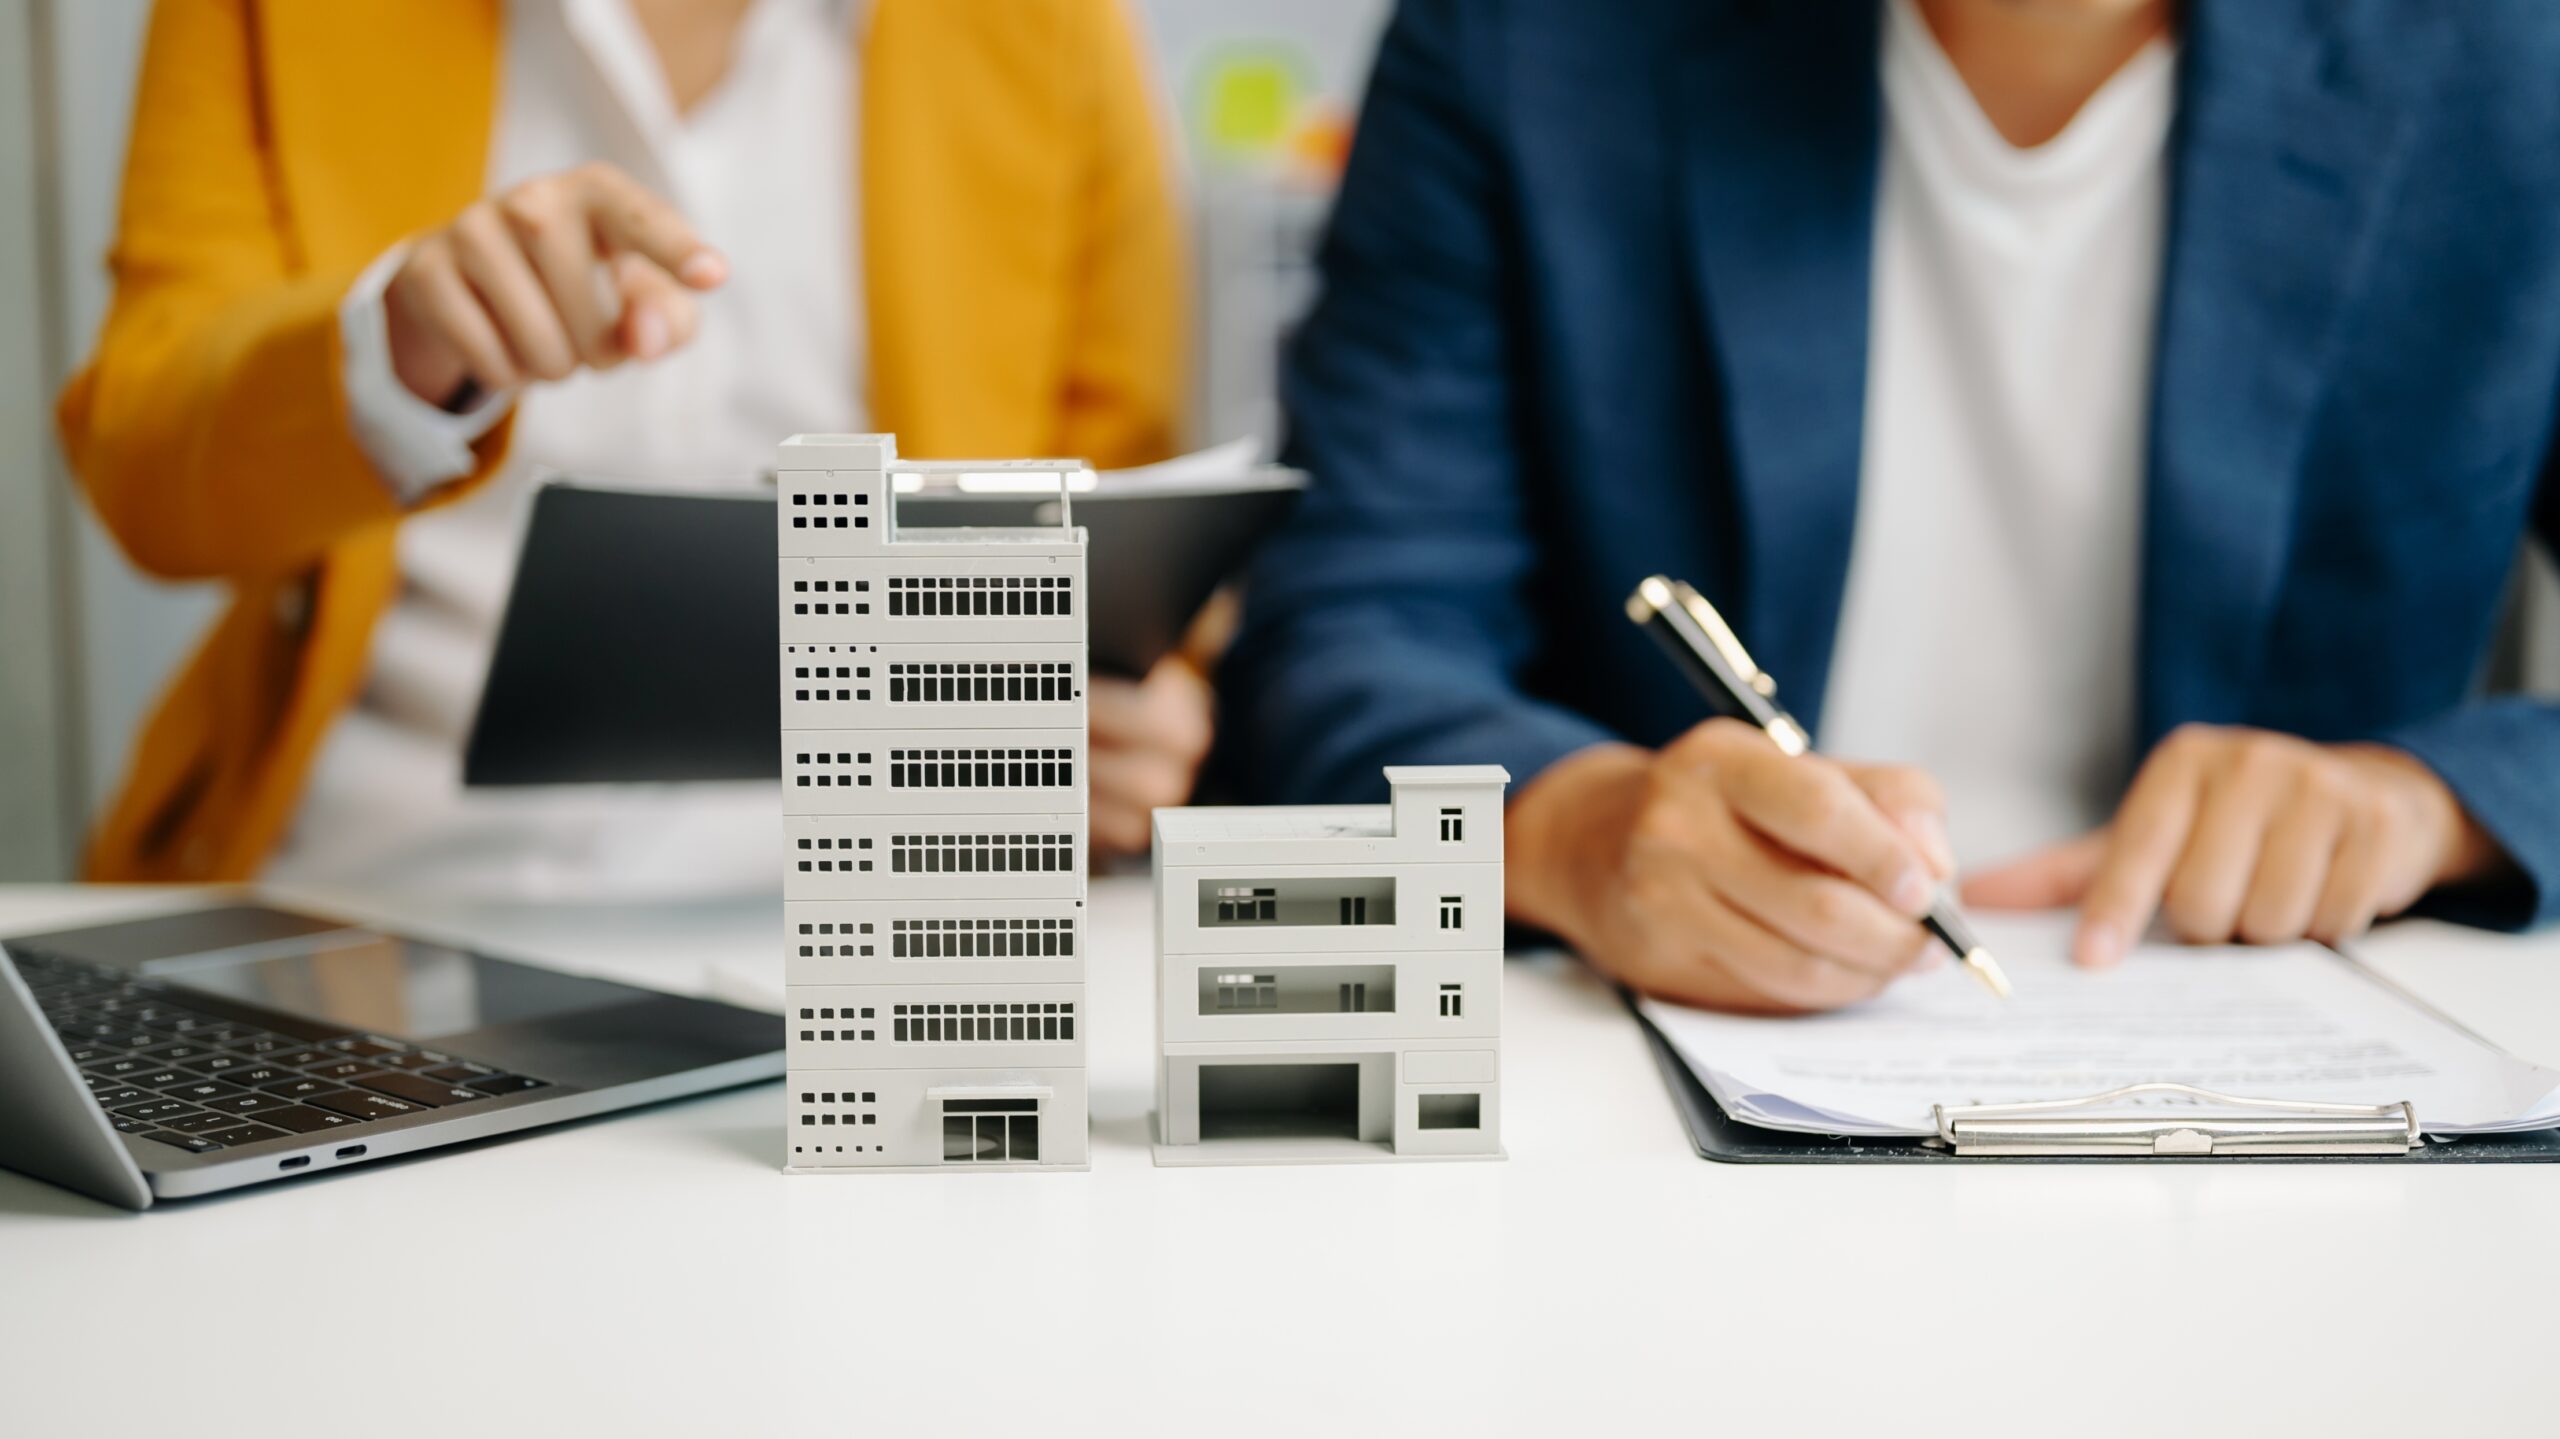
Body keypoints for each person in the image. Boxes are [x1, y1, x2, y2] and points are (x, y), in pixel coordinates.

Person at [1221, 0, 2560, 1013]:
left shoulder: (2512, 69)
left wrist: (2427, 805)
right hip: (1640, 1084)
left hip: (2300, 1103)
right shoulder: (1526, 43)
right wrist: (1575, 831)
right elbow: (1340, 628)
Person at [57, 0, 1206, 895]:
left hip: (889, 921)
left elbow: (1129, 537)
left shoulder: (1049, 33)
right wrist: (387, 350)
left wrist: (1136, 711)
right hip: (365, 897)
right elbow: (145, 468)